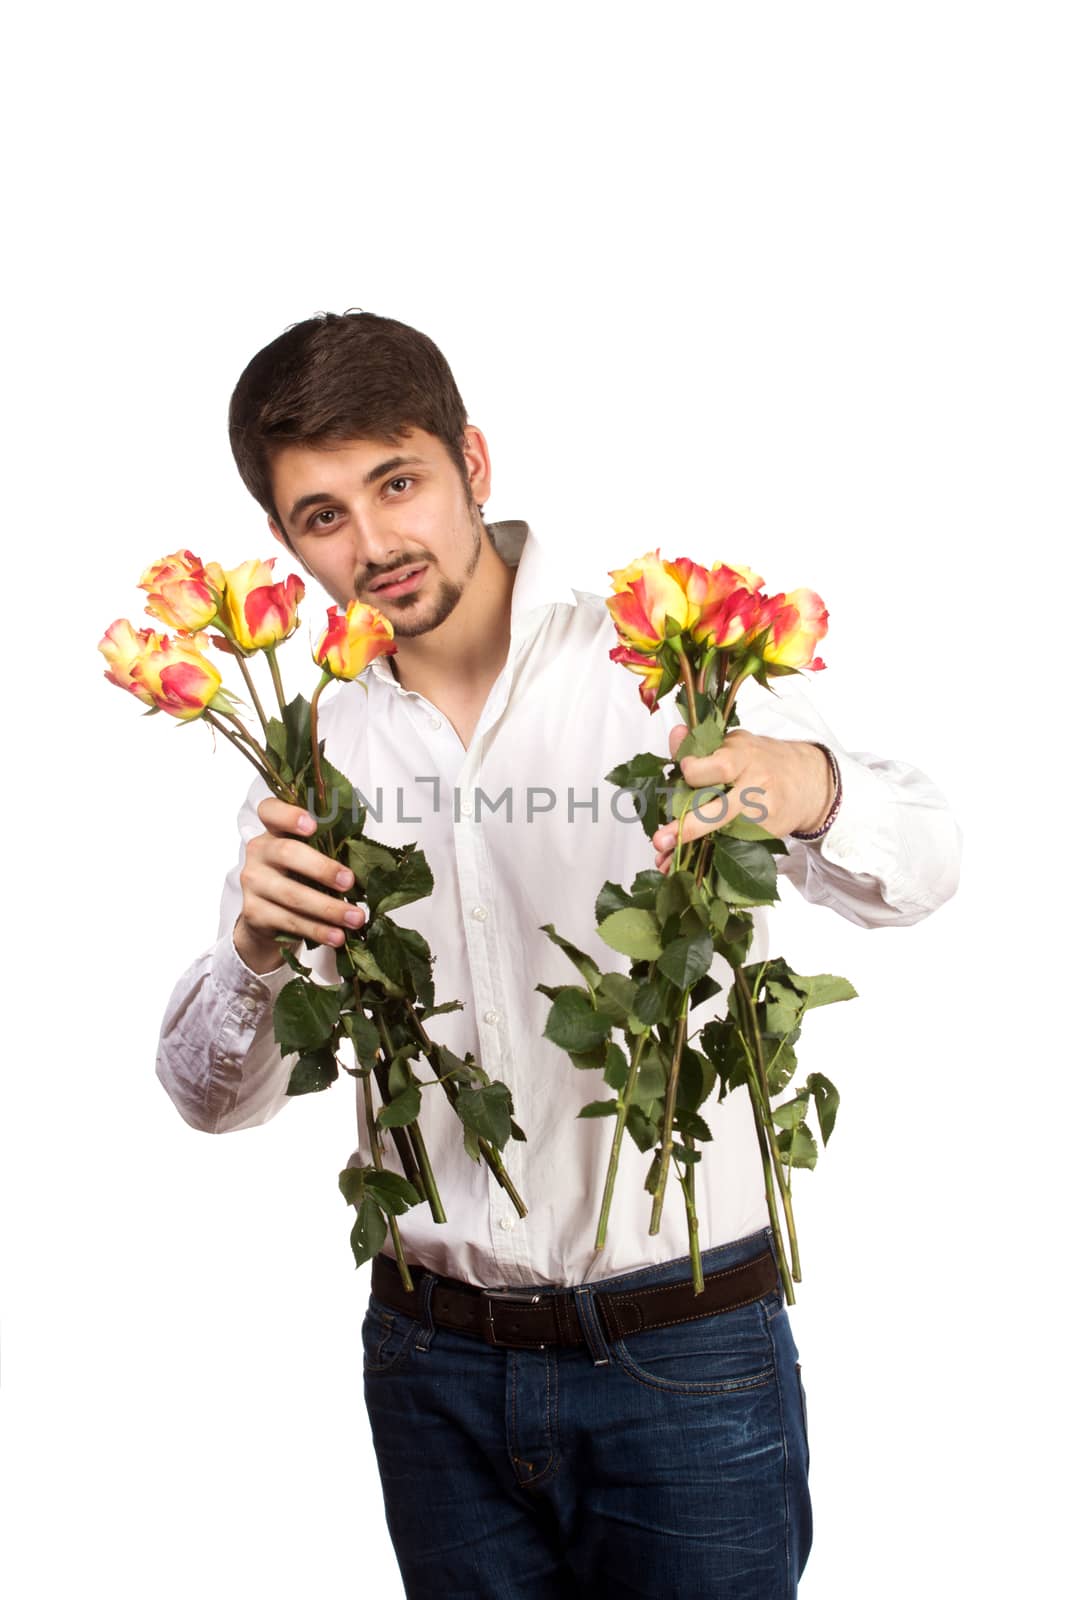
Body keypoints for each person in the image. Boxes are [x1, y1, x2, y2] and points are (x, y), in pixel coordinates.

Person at [157, 310, 961, 1598]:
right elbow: (210, 1101)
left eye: (398, 482)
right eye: (323, 517)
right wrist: (253, 951)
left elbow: (926, 864)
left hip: (687, 1349)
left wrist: (797, 785)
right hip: (434, 1372)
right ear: (282, 542)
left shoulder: (661, 647)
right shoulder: (310, 740)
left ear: (475, 460)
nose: (374, 546)